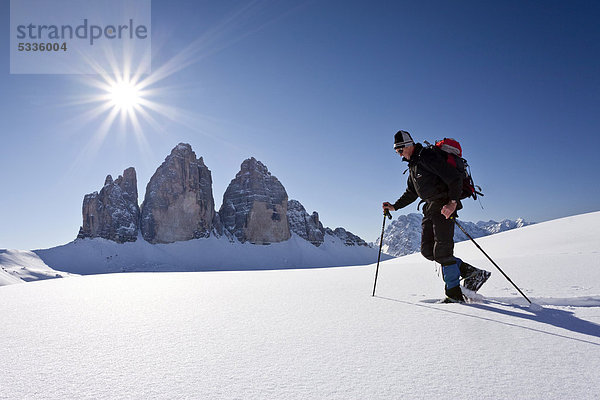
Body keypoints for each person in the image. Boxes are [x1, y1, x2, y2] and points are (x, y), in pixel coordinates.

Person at [383, 130, 490, 303]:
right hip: (431, 208)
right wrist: (394, 206)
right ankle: (471, 272)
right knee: (427, 250)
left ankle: (453, 294)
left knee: (442, 250)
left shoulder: (427, 156)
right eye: (397, 152)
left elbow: (454, 178)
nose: (399, 154)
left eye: (400, 150)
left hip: (445, 205)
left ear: (408, 145)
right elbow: (411, 193)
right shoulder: (413, 165)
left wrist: (452, 202)